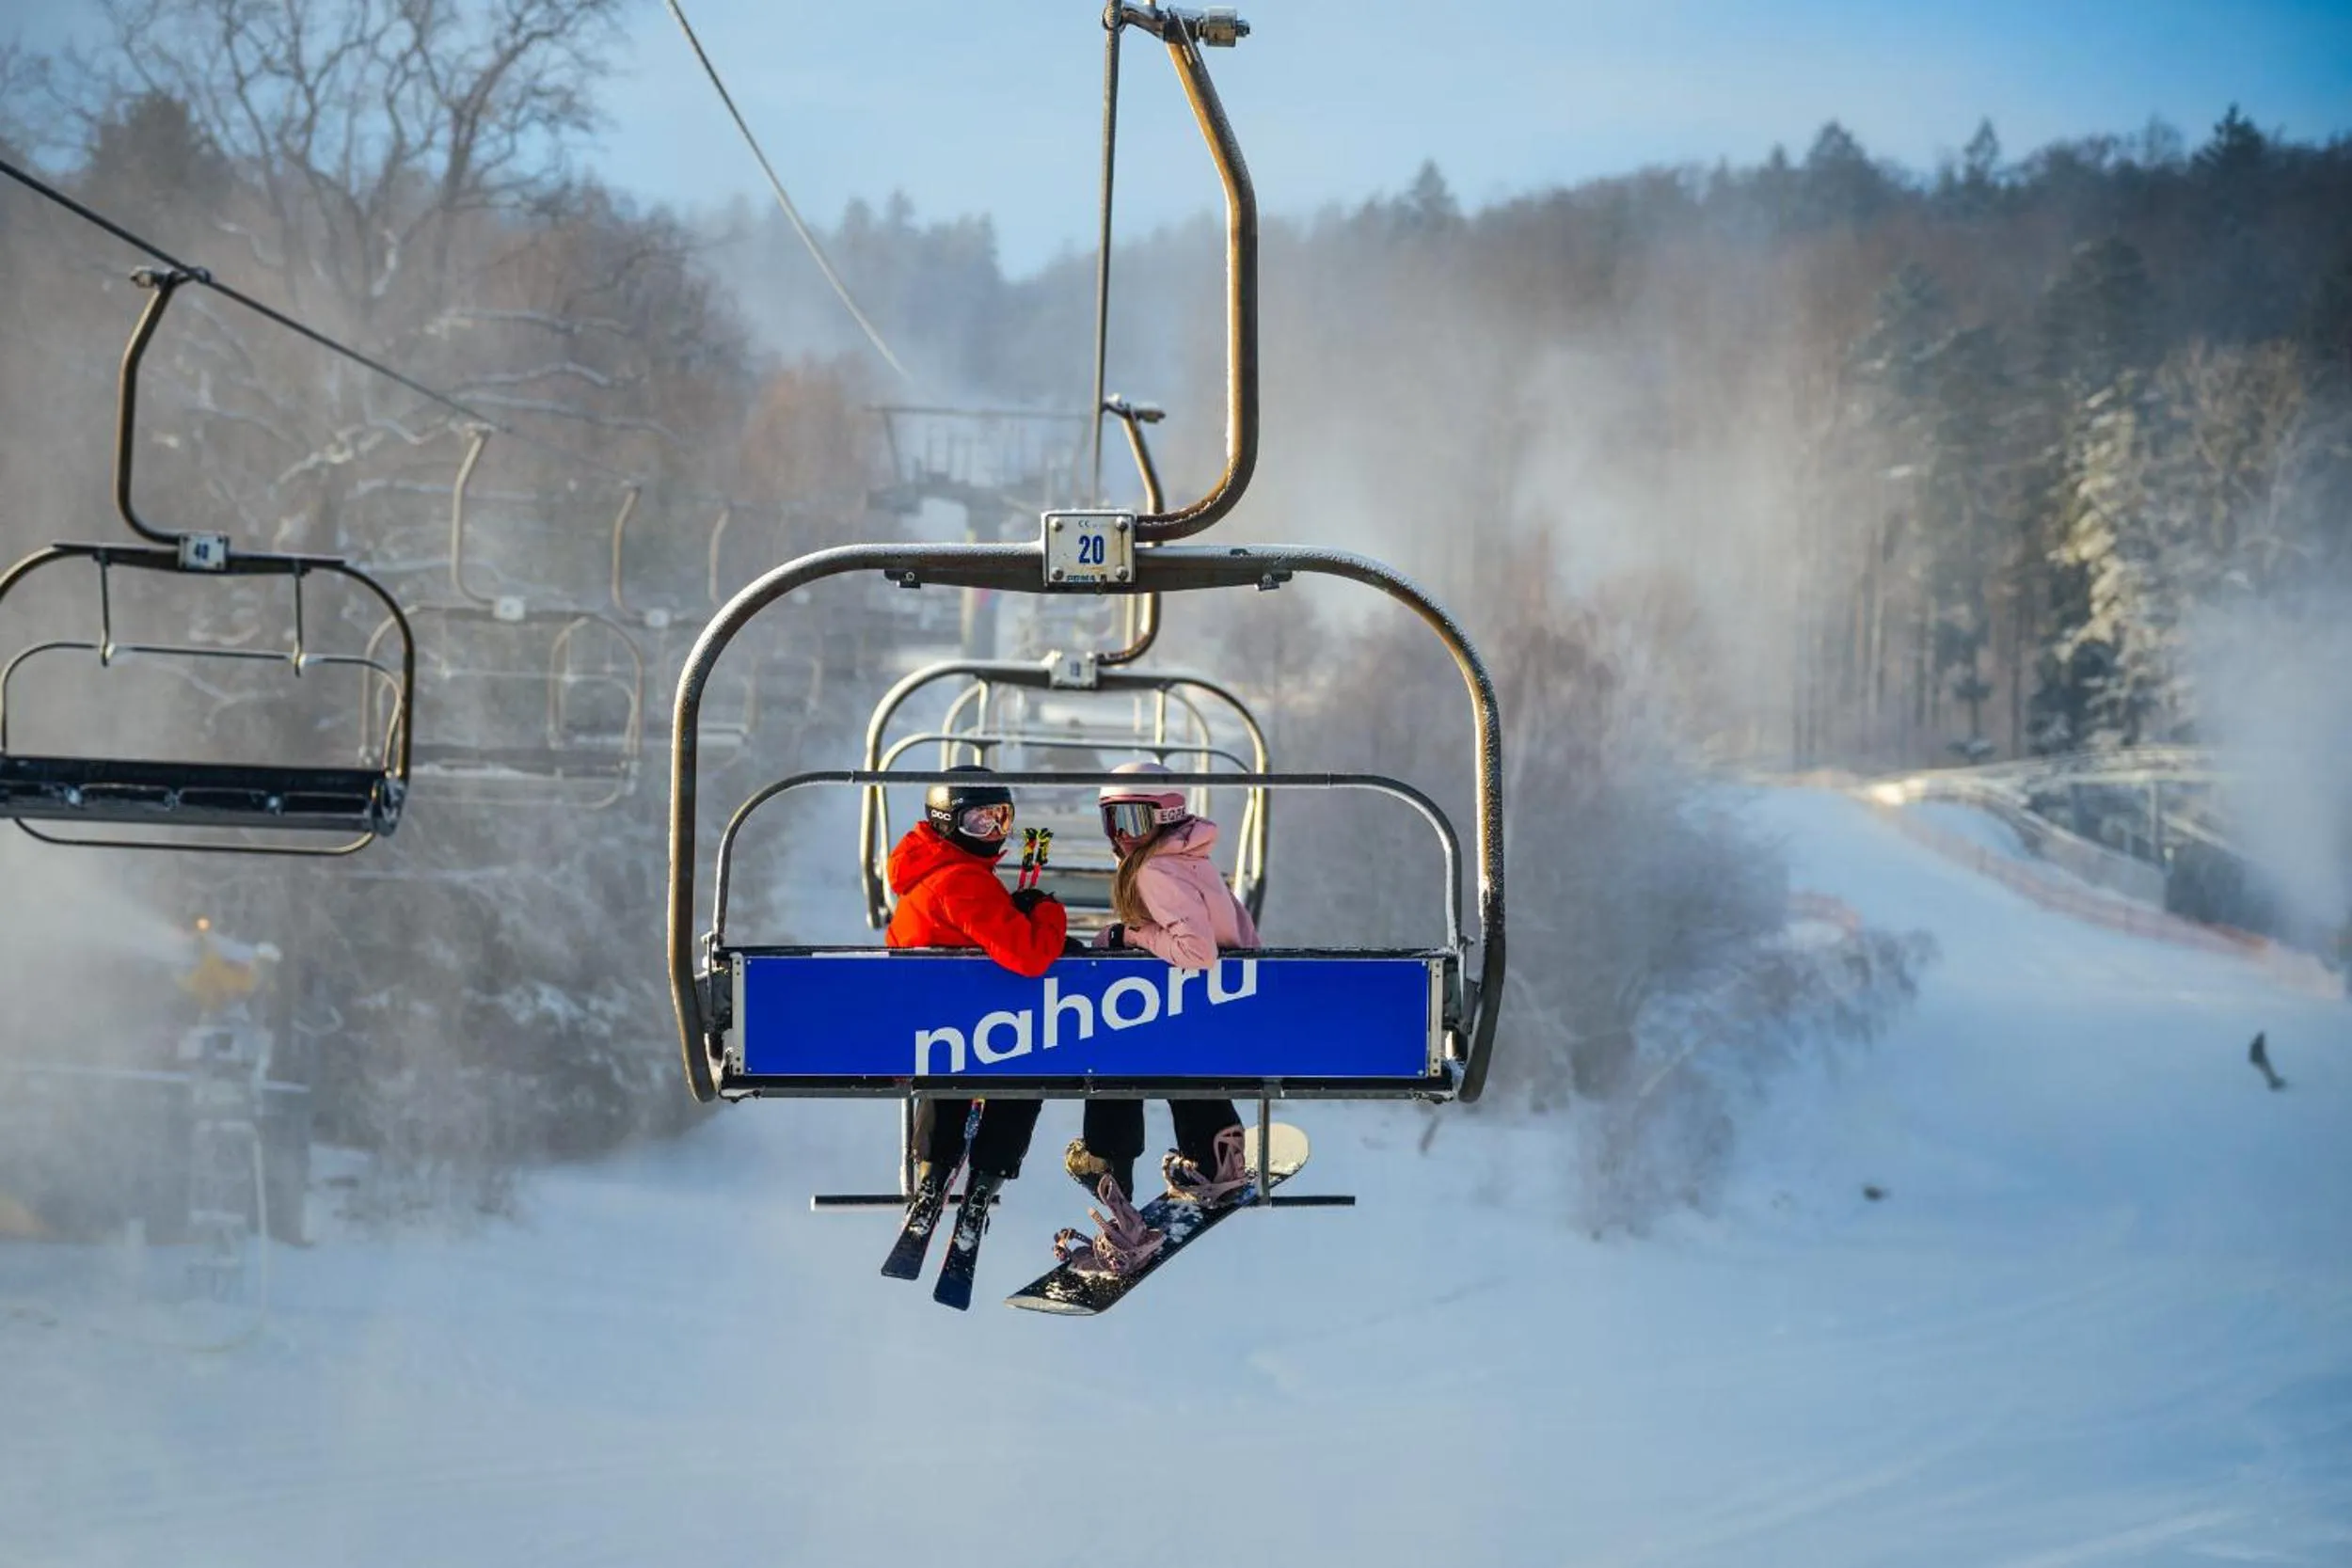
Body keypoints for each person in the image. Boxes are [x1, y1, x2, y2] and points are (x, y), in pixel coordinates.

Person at [1056, 760, 1263, 1276]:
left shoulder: (1153, 869)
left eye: (1132, 820)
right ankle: (1215, 1155)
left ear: (1165, 816)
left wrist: (1129, 936)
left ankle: (1119, 1203)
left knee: (1112, 1054)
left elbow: (1196, 952)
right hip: (1220, 1014)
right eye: (1112, 821)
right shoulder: (1192, 861)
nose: (1121, 835)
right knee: (1172, 1054)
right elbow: (1239, 938)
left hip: (1192, 1012)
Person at [887, 764, 1067, 1233]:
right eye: (978, 821)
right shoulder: (962, 880)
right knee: (1025, 1069)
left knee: (951, 1070)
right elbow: (1029, 956)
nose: (992, 833)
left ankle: (934, 1177)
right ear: (947, 822)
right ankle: (983, 1184)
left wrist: (1012, 913)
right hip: (966, 1031)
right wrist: (1046, 912)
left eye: (1001, 819)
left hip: (929, 1029)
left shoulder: (929, 874)